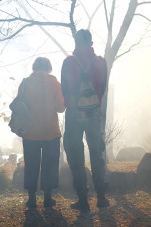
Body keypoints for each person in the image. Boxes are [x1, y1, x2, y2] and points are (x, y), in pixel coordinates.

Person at [62, 29, 109, 210]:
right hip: (94, 113)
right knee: (97, 154)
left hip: (74, 114)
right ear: (91, 42)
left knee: (76, 155)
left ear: (75, 42)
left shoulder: (69, 62)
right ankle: (102, 198)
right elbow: (103, 88)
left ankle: (83, 199)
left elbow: (64, 87)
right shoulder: (100, 62)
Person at [21, 57, 65, 208]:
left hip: (30, 131)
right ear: (49, 68)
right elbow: (61, 108)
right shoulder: (55, 84)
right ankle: (47, 198)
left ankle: (31, 199)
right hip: (50, 132)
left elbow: (20, 105)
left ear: (34, 67)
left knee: (31, 165)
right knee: (50, 165)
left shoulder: (25, 83)